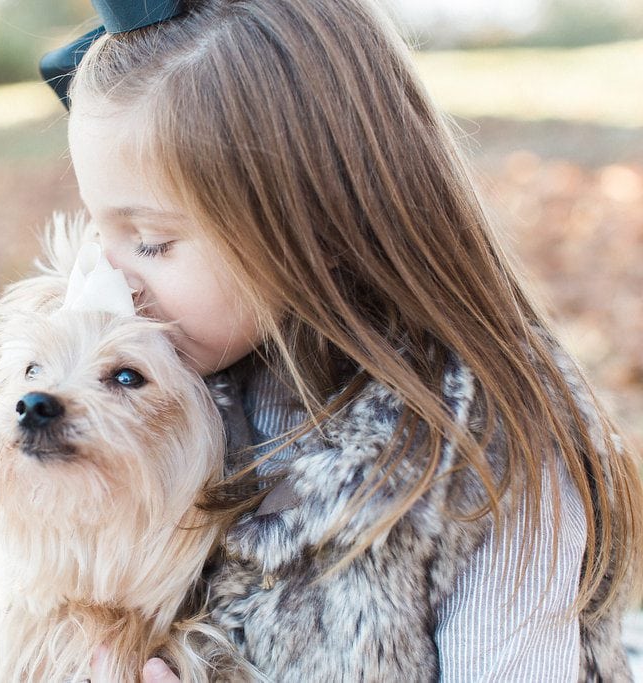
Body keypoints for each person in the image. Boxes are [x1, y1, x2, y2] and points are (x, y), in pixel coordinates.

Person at [50, 0, 643, 679]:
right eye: (101, 231)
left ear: (320, 230)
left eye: (151, 242)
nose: (111, 281)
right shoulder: (174, 386)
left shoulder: (490, 454)